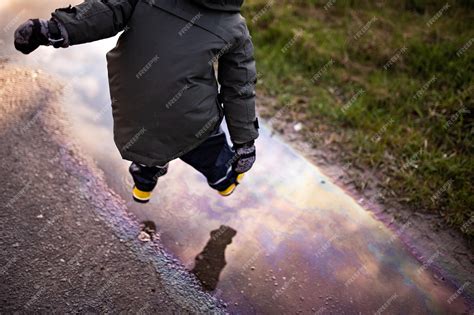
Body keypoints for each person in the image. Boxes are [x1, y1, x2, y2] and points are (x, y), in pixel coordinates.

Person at [14, 0, 259, 203]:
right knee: (206, 142)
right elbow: (239, 89)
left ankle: (143, 183)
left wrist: (52, 30)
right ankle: (224, 179)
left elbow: (106, 11)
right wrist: (244, 142)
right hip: (189, 122)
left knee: (144, 136)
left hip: (132, 102)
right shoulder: (233, 27)